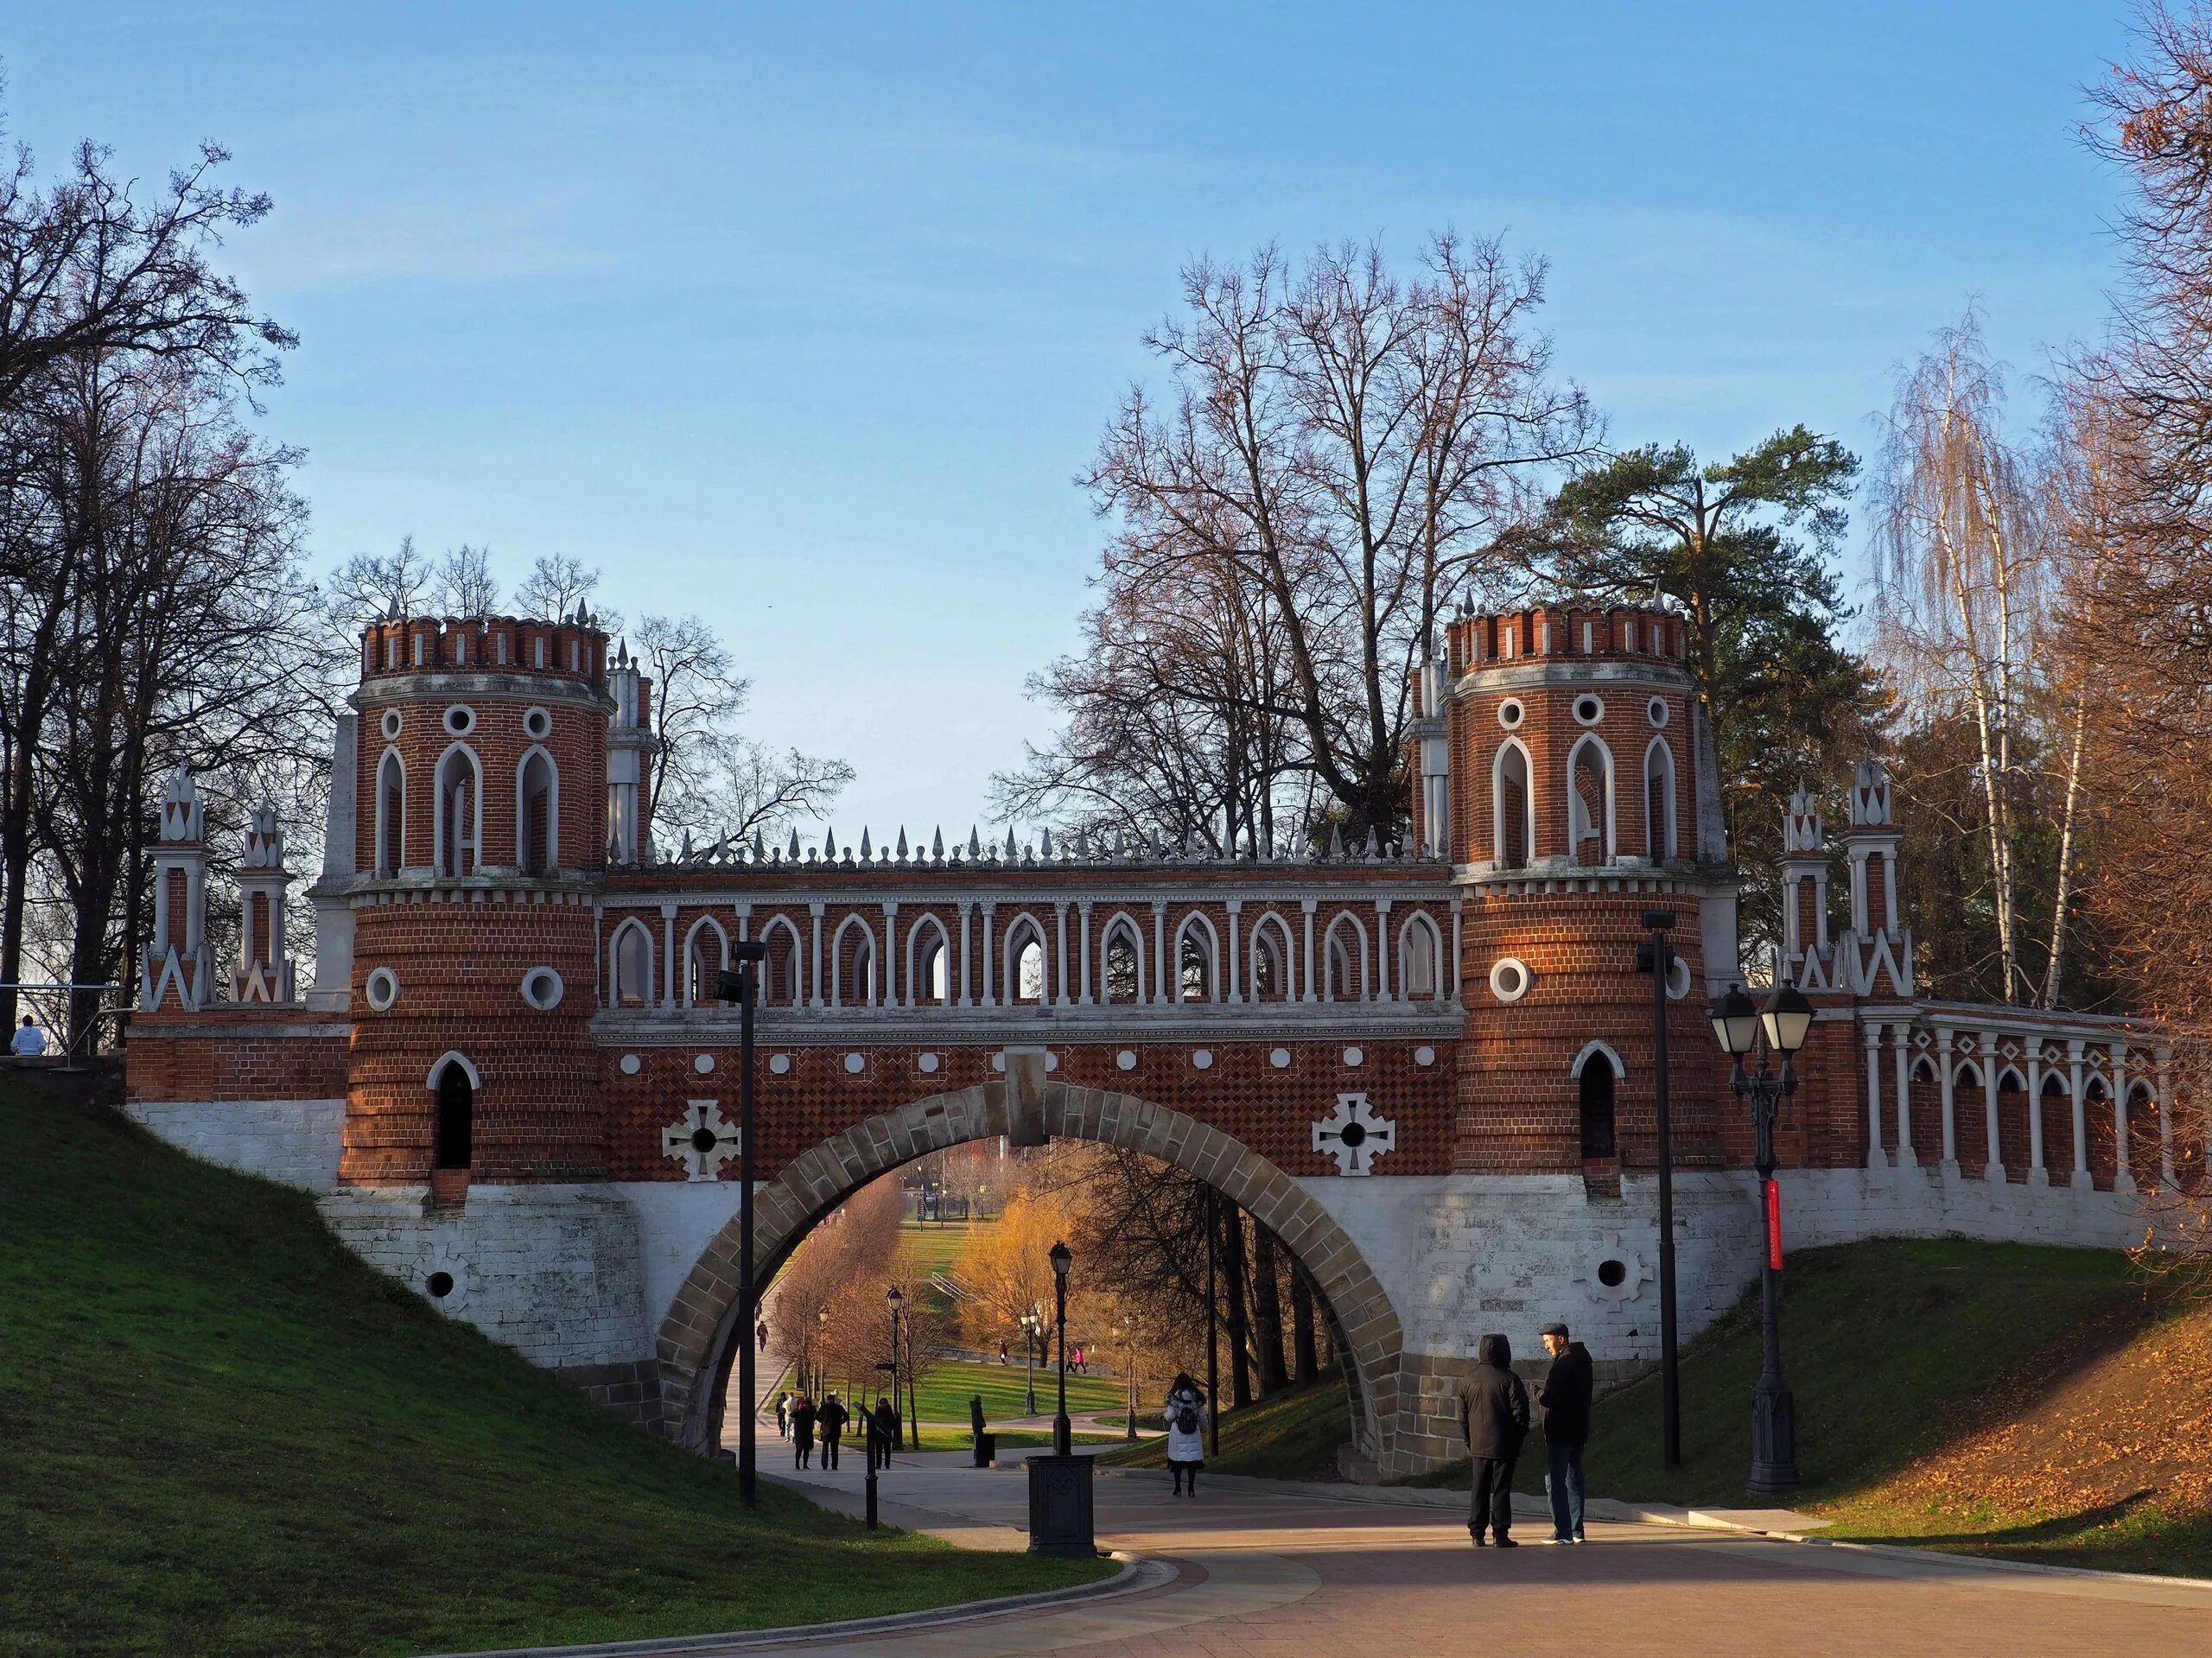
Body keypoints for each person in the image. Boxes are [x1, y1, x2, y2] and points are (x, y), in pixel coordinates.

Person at [1457, 1332, 1529, 1547]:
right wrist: (1517, 1436)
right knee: (1501, 1489)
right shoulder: (1509, 1379)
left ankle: (1477, 1533)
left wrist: (1469, 1440)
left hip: (1478, 1444)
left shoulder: (1468, 1380)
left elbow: (1463, 1417)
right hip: (1503, 1444)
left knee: (1478, 1489)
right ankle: (1500, 1533)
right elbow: (1521, 1413)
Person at [1537, 1322, 1594, 1544]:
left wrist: (1537, 1394)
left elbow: (1551, 1398)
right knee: (1573, 1479)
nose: (1546, 1346)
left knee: (1555, 1481)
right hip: (1578, 1429)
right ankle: (1576, 1529)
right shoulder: (1584, 1361)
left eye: (1548, 1341)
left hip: (1560, 1431)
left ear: (1561, 1339)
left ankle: (1562, 1531)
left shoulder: (1564, 1363)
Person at [1163, 1372, 1208, 1497]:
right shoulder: (1196, 1397)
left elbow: (1171, 1416)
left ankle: (1177, 1488)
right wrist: (1204, 1429)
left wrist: (1165, 1417)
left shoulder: (1173, 1397)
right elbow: (1202, 1417)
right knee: (1192, 1461)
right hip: (1193, 1432)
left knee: (1177, 1461)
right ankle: (1191, 1488)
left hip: (1178, 1432)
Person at [817, 1390, 849, 1471]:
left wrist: (823, 1421)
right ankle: (834, 1465)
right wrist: (840, 1422)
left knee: (825, 1448)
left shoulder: (824, 1407)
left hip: (826, 1430)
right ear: (834, 1400)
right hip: (836, 1430)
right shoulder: (839, 1407)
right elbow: (846, 1416)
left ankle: (824, 1464)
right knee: (835, 1449)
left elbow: (816, 1415)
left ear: (827, 1400)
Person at [791, 1394, 817, 1470]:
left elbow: (815, 1414)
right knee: (799, 1449)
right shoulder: (799, 1410)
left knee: (806, 1449)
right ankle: (797, 1464)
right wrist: (799, 1409)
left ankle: (805, 1464)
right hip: (800, 1432)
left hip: (807, 1431)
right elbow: (792, 1414)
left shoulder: (811, 1409)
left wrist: (809, 1408)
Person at [872, 1394, 899, 1469]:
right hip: (879, 1433)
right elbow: (875, 1420)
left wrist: (888, 1429)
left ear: (886, 1403)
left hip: (886, 1433)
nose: (882, 1404)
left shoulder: (889, 1411)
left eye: (883, 1403)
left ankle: (887, 1464)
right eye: (881, 1403)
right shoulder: (878, 1410)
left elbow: (892, 1422)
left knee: (887, 1450)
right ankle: (878, 1464)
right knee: (878, 1450)